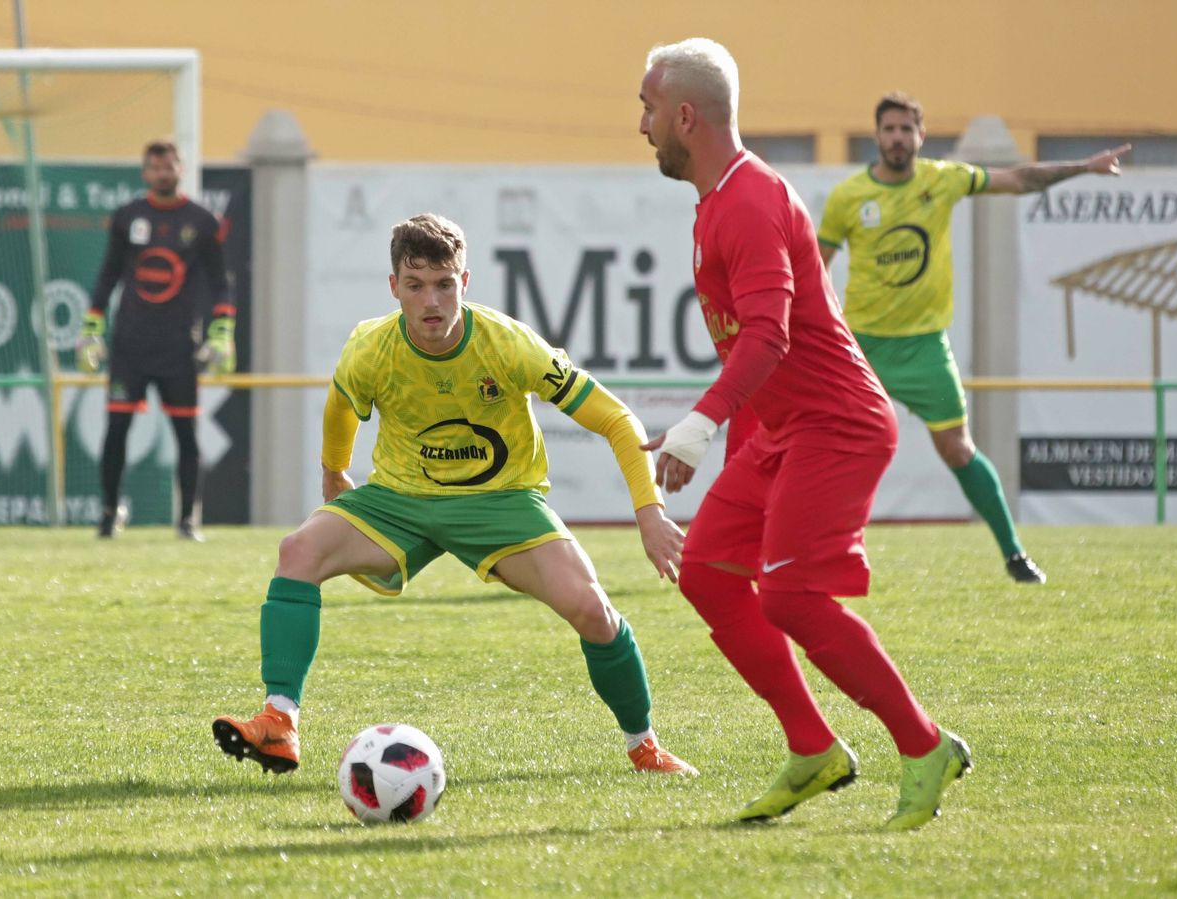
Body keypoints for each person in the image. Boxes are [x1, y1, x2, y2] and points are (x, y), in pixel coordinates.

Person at [211, 213, 697, 778]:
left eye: (444, 284)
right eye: (415, 286)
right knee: (298, 551)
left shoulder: (509, 345)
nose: (431, 301)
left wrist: (650, 514)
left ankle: (645, 747)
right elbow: (342, 405)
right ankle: (279, 719)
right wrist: (334, 474)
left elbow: (615, 418)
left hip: (503, 500)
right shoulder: (370, 348)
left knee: (594, 611)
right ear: (393, 286)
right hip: (399, 498)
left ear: (465, 283)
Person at [638, 38, 966, 830]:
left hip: (838, 426)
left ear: (686, 114)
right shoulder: (716, 202)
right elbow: (754, 350)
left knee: (789, 595)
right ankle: (813, 746)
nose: (642, 125)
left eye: (648, 107)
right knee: (710, 572)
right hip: (784, 431)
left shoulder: (749, 200)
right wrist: (733, 439)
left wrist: (700, 424)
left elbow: (767, 336)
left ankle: (924, 746)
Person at [819, 93, 1130, 584]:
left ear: (921, 136)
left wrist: (1085, 167)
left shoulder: (943, 179)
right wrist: (821, 330)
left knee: (958, 450)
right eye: (889, 129)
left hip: (923, 347)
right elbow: (816, 270)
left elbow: (1018, 179)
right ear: (877, 135)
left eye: (907, 129)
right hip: (864, 348)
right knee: (826, 447)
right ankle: (812, 552)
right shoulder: (849, 198)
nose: (898, 137)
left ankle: (1014, 555)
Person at [78, 139, 236, 542]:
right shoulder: (127, 217)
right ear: (145, 172)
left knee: (186, 435)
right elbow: (107, 275)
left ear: (180, 169)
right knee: (116, 430)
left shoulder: (202, 221)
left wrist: (222, 331)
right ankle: (109, 514)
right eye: (155, 167)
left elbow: (221, 283)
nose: (163, 173)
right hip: (130, 344)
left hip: (179, 346)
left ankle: (187, 521)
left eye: (169, 166)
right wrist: (92, 324)